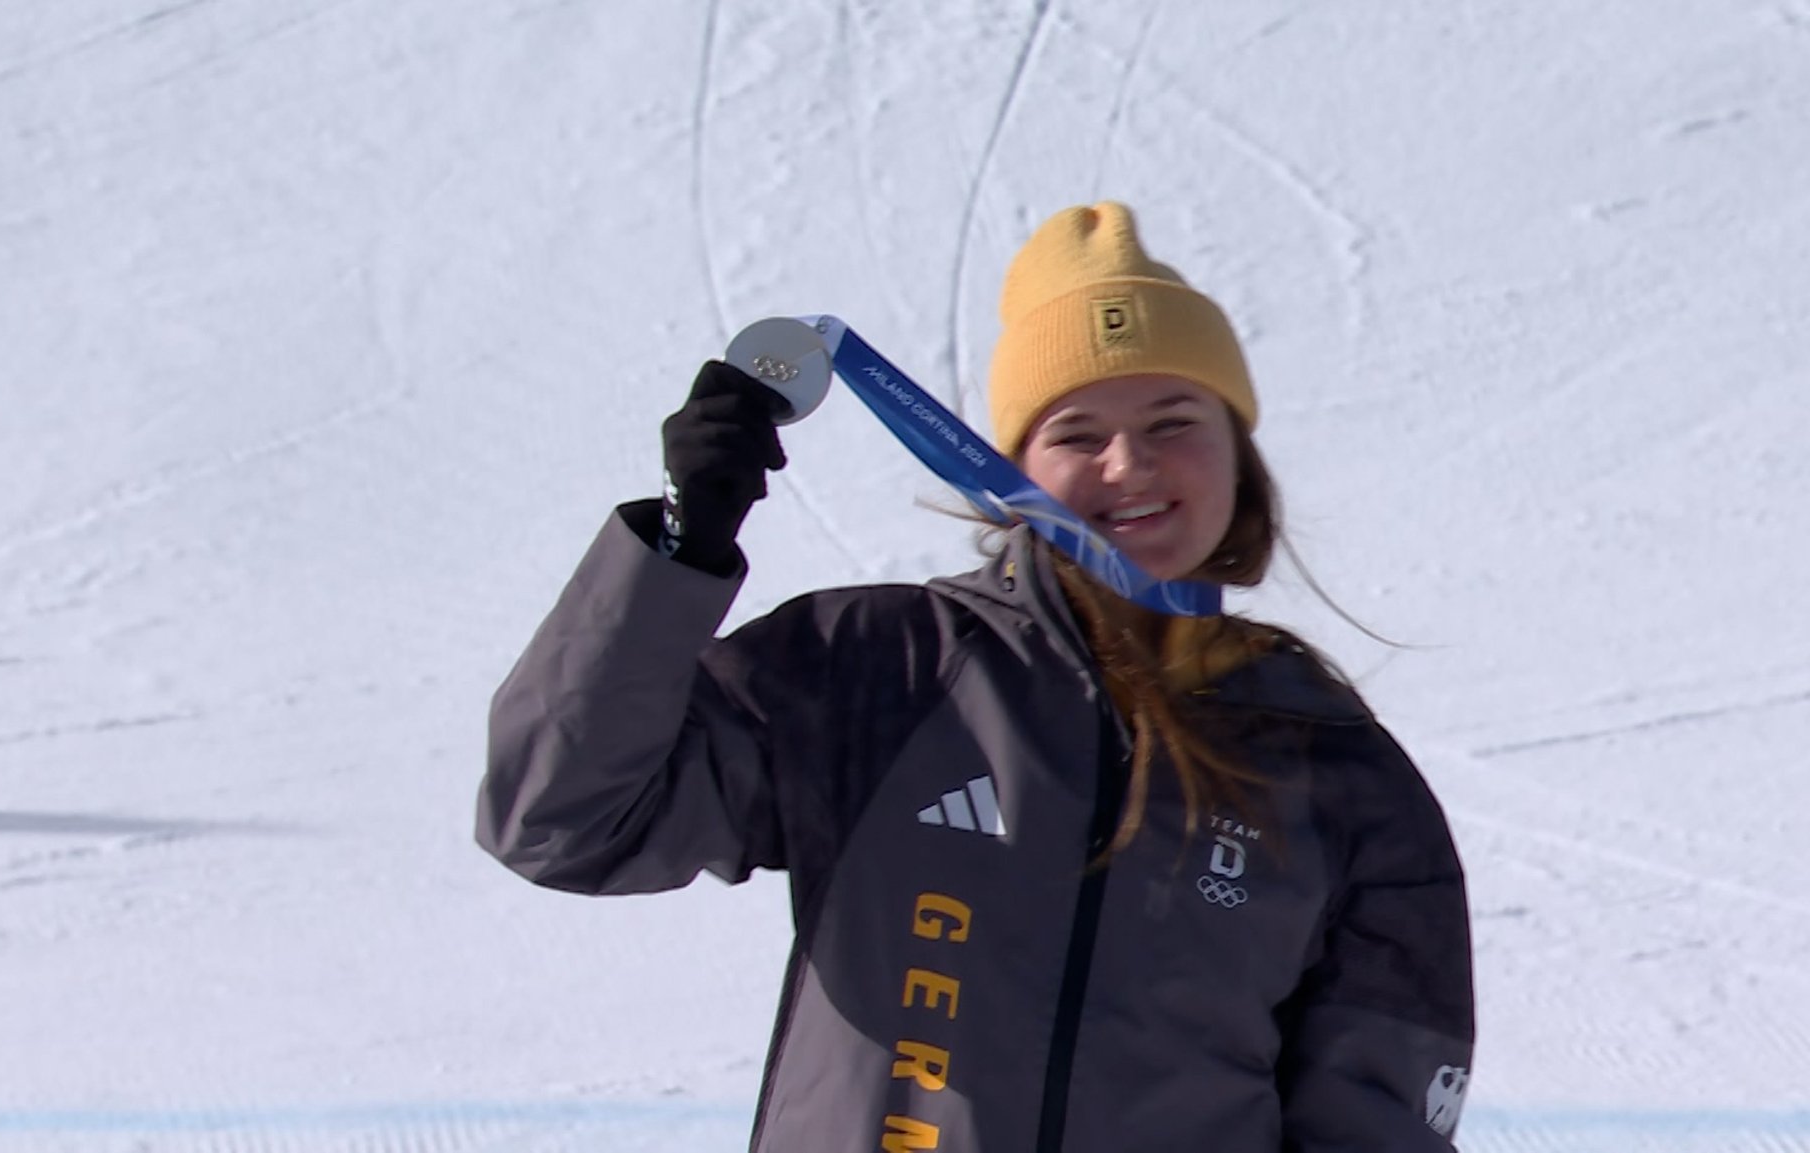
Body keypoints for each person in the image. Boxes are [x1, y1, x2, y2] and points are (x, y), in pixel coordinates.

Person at [479, 202, 1476, 1151]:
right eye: (1076, 434)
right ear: (1009, 474)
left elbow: (1374, 1115)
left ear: (1238, 462)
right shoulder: (881, 670)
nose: (1127, 464)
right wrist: (678, 549)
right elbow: (561, 820)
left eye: (1174, 421)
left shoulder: (1338, 773)